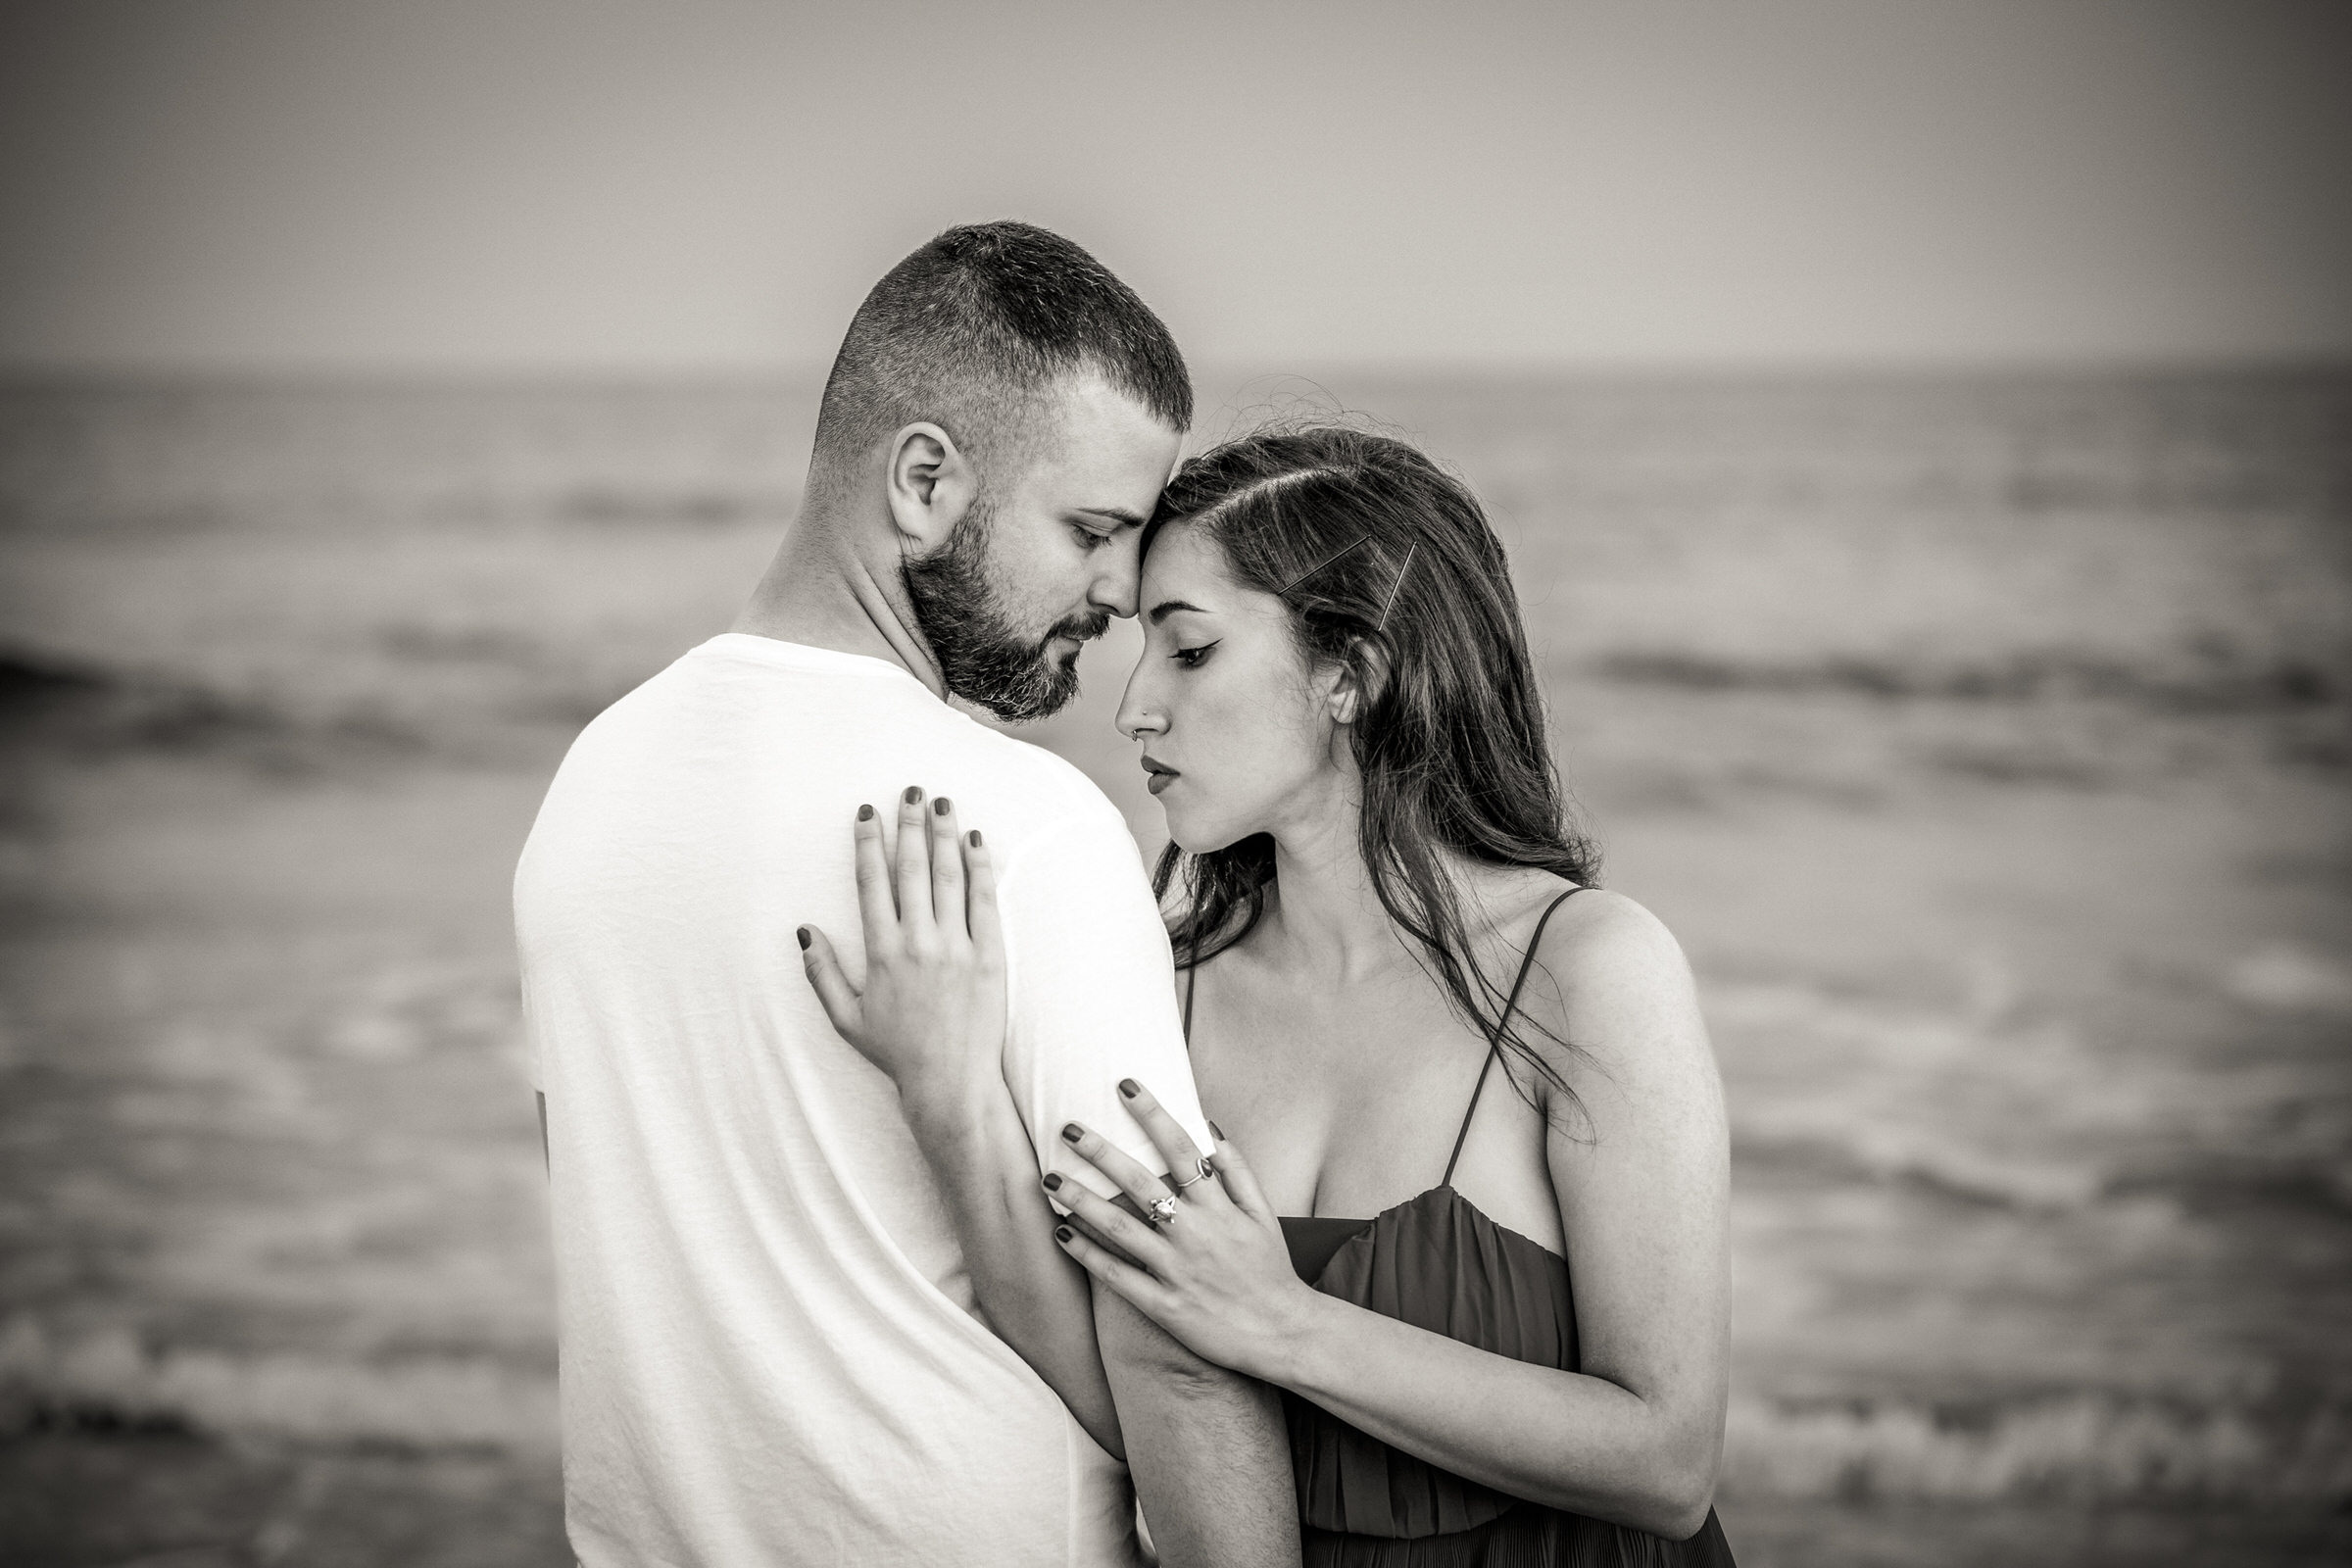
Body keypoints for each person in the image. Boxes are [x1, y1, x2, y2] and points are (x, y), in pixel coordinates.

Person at [804, 426, 1740, 1563]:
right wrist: (948, 1094)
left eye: (1189, 652)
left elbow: (1669, 1460)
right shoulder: (1165, 983)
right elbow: (1123, 1403)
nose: (1134, 708)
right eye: (1139, 651)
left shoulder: (1586, 969)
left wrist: (1286, 1324)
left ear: (1351, 673)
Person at [514, 222, 1297, 1567]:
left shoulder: (590, 787)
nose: (1119, 593)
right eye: (1093, 531)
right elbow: (1176, 1343)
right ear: (925, 479)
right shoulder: (1026, 827)